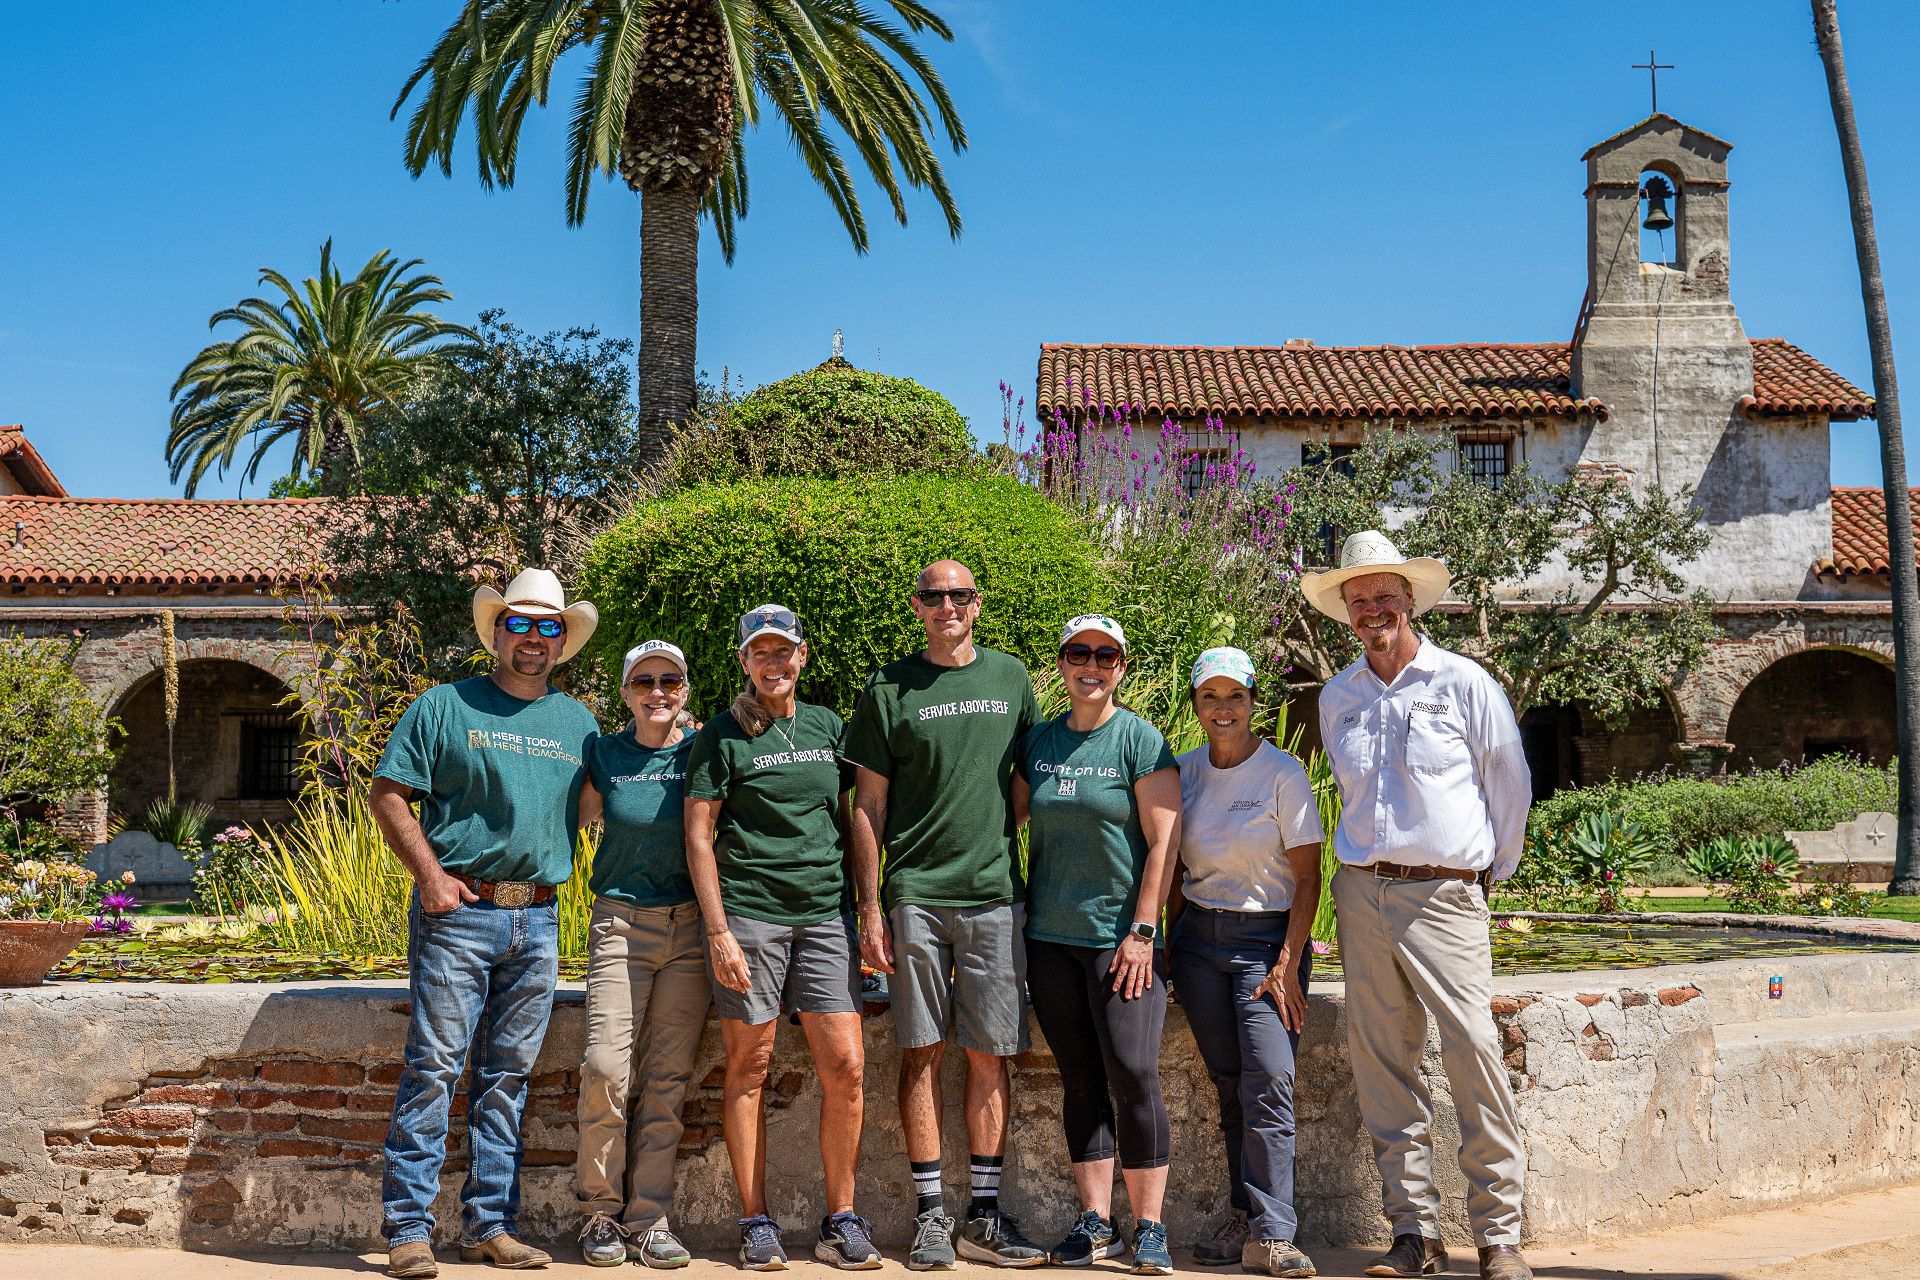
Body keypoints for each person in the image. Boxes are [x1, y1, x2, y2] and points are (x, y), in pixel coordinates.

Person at [1304, 532, 1534, 1280]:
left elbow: (1509, 785)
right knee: (1382, 1064)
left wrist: (1486, 875)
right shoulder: (1337, 696)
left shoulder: (1464, 682)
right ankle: (1415, 1235)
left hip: (1444, 892)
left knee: (1473, 1052)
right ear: (1346, 612)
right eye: (1359, 600)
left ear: (1410, 600)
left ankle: (1499, 1237)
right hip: (1360, 891)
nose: (1373, 609)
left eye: (1385, 596)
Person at [370, 568, 601, 1279]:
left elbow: (591, 808)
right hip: (460, 915)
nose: (534, 639)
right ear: (497, 632)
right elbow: (388, 793)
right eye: (520, 624)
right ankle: (408, 1231)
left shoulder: (578, 723)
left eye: (548, 627)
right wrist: (430, 878)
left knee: (507, 1078)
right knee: (434, 1067)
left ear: (562, 640)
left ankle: (489, 1226)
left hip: (538, 919)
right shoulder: (444, 706)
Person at [846, 561, 1046, 1271]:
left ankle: (982, 1218)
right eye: (934, 596)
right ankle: (931, 1217)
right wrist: (870, 906)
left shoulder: (1011, 678)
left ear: (977, 604)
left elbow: (1026, 781)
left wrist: (990, 838)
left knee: (990, 1053)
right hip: (916, 898)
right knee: (921, 1050)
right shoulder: (888, 688)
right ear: (917, 606)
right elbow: (867, 805)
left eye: (959, 595)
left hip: (994, 892)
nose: (947, 606)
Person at [684, 605, 880, 1272]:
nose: (774, 663)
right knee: (750, 1066)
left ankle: (841, 1220)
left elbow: (853, 813)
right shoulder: (722, 735)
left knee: (846, 1066)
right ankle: (755, 1221)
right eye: (760, 653)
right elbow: (698, 837)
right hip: (750, 916)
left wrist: (866, 908)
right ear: (744, 661)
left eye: (784, 651)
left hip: (825, 918)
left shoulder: (827, 726)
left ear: (802, 657)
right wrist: (719, 931)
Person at [1014, 614, 1182, 1276]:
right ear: (1061, 662)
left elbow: (1164, 842)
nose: (1091, 665)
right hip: (1050, 939)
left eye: (1105, 656)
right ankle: (1095, 1222)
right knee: (1080, 1078)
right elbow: (1005, 817)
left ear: (1121, 666)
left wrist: (1143, 932)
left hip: (1121, 942)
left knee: (1134, 1074)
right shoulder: (1040, 741)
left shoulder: (1139, 739)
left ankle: (1150, 1227)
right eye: (1079, 653)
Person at [1165, 648, 1325, 1279]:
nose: (1223, 708)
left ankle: (1275, 1234)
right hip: (1199, 946)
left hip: (1266, 944)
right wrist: (1166, 945)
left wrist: (1287, 962)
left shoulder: (1282, 773)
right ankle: (1245, 1217)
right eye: (1210, 696)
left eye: (1235, 696)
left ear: (1254, 701)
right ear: (1196, 704)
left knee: (1270, 1082)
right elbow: (1172, 868)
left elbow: (1308, 877)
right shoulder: (1183, 771)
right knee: (1231, 1084)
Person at [574, 640, 709, 1268]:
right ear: (626, 692)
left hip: (691, 932)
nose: (658, 692)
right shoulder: (605, 754)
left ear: (685, 691)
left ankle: (649, 1218)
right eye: (644, 681)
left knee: (667, 1079)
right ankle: (600, 1212)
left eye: (670, 681)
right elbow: (565, 821)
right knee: (606, 1067)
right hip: (621, 926)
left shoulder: (703, 750)